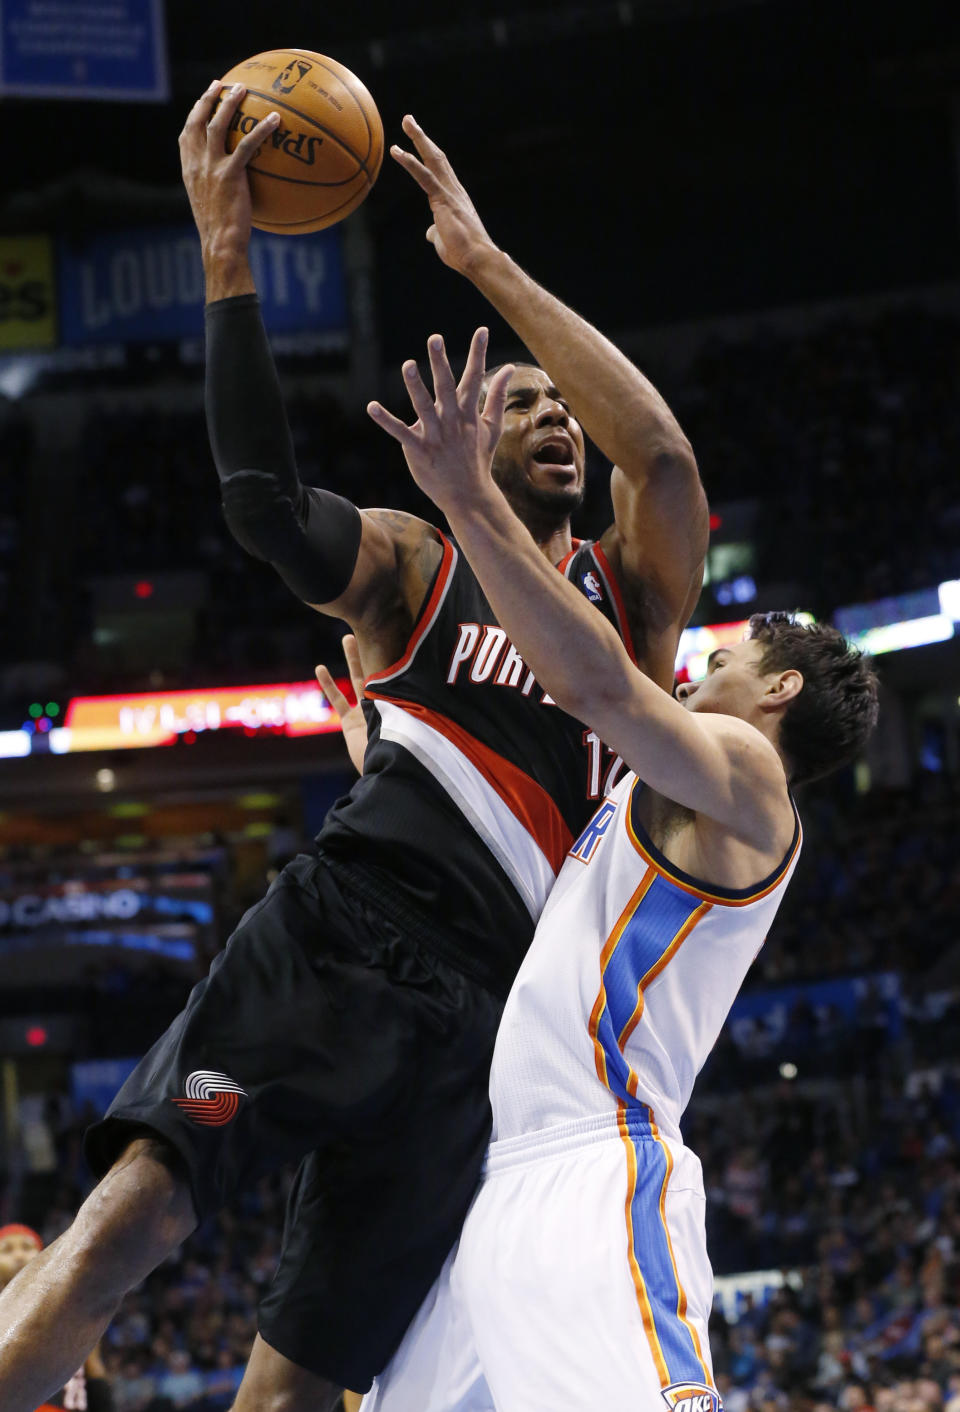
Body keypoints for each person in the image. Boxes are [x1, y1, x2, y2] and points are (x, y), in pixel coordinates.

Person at [0, 89, 707, 1412]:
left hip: (487, 1032)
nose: (555, 415)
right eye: (521, 400)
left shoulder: (632, 605)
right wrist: (226, 253)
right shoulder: (419, 558)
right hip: (338, 938)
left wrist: (487, 268)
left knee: (295, 1399)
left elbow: (661, 455)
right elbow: (265, 510)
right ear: (465, 438)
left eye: (566, 405)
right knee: (130, 1229)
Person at [357, 330, 879, 1410]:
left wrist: (469, 500)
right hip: (510, 1184)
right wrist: (389, 761)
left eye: (728, 660)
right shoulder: (652, 796)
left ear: (777, 693)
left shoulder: (748, 776)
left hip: (603, 1167)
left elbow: (596, 679)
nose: (701, 662)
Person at [0, 1223, 114, 1412]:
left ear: (43, 1257)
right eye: (7, 1250)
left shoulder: (73, 1309)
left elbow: (94, 1371)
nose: (19, 1255)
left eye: (27, 1247)